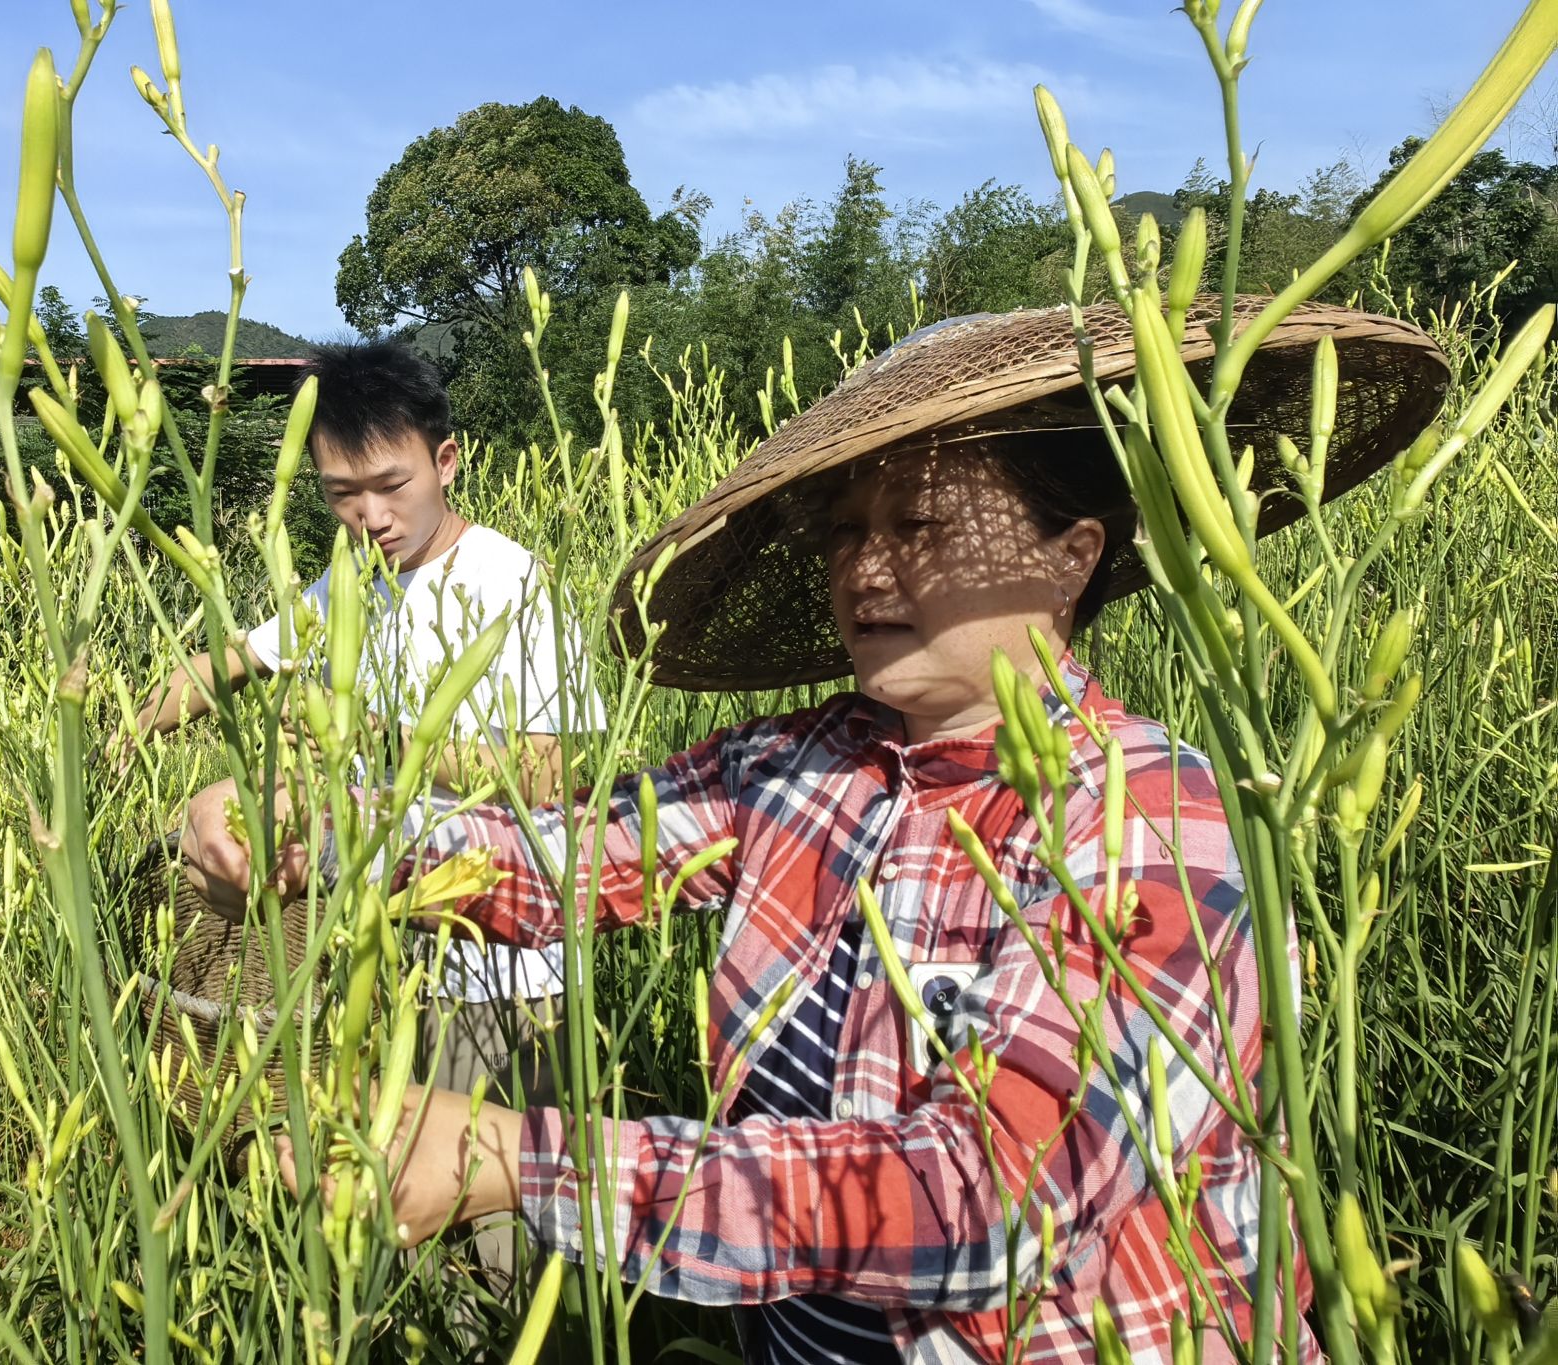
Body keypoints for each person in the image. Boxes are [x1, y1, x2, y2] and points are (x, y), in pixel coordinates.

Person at [177, 299, 1448, 1362]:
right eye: (844, 531)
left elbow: (985, 1198)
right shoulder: (790, 764)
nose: (865, 570)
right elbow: (545, 859)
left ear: (1072, 556)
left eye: (921, 526)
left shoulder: (1156, 822)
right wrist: (307, 836)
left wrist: (529, 1156)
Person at [131, 338, 600, 1113]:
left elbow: (547, 778)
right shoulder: (347, 579)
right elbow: (232, 659)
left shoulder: (513, 583)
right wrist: (118, 726)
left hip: (498, 963)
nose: (371, 518)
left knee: (497, 1210)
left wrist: (370, 735)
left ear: (446, 461)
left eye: (391, 485)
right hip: (371, 950)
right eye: (342, 493)